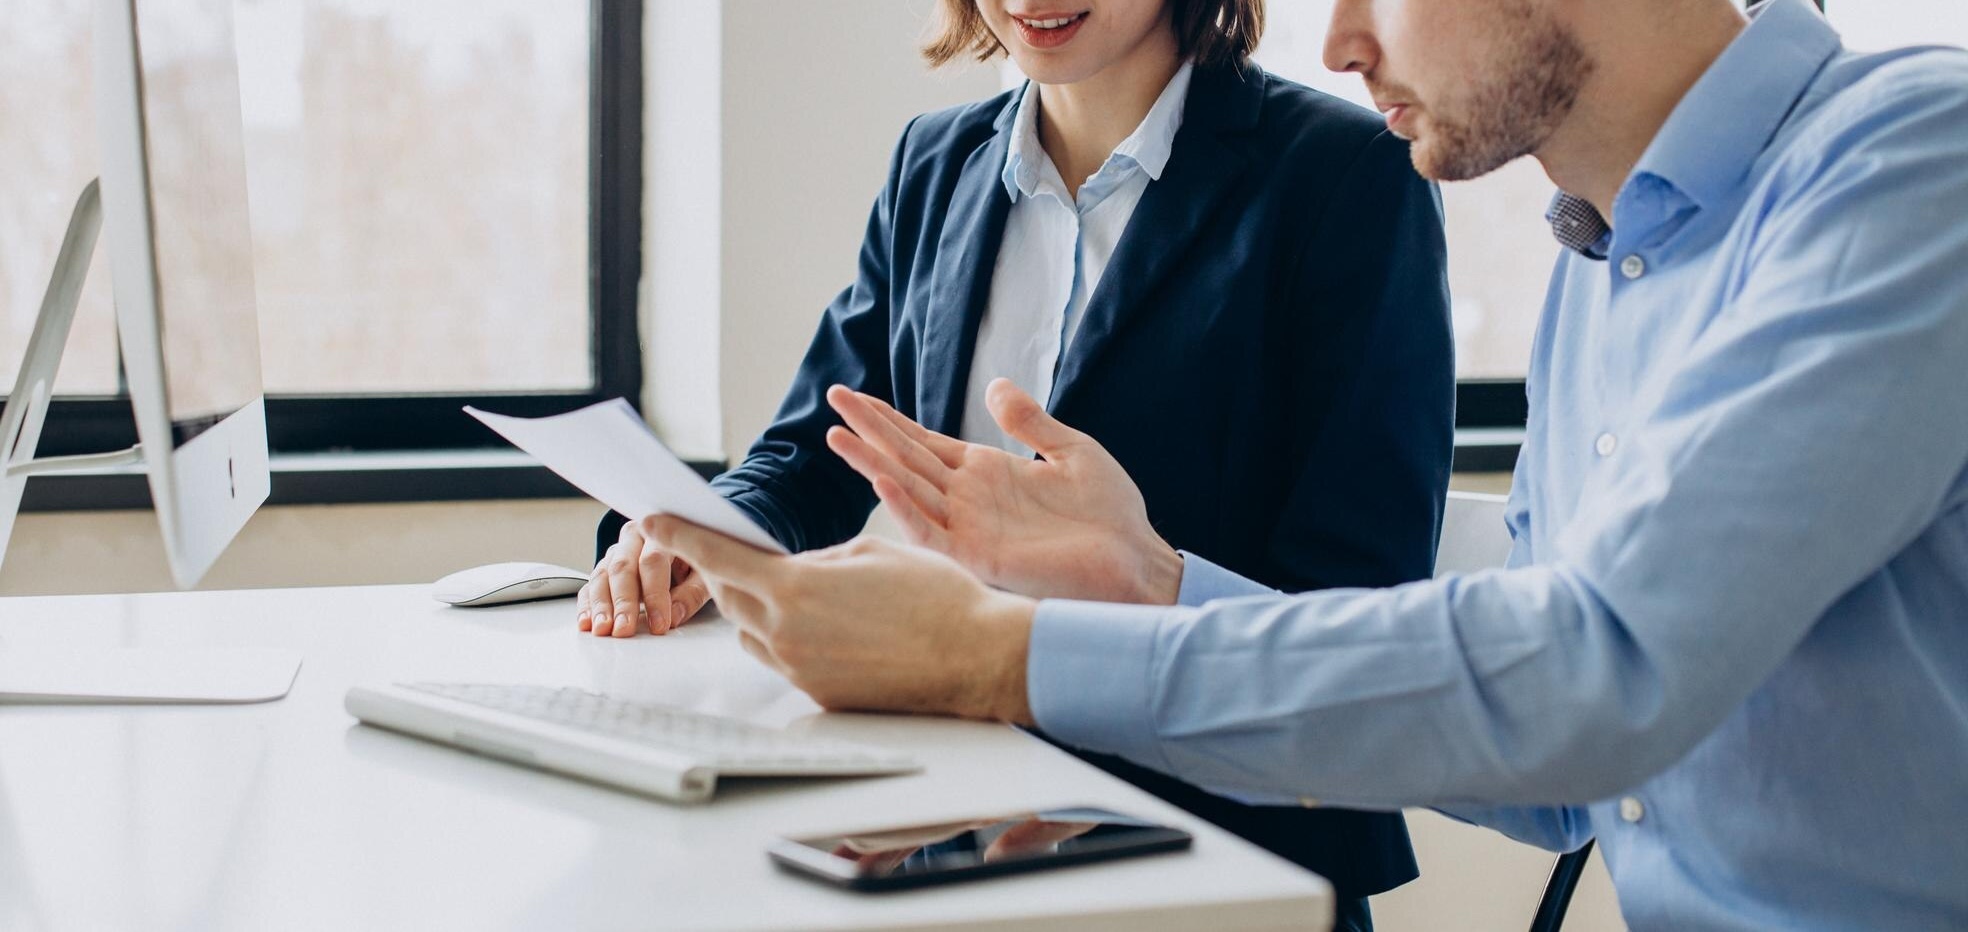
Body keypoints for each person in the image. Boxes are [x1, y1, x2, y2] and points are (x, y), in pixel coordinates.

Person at [642, 0, 1968, 927]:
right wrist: (1154, 581)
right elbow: (1567, 781)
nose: (1336, 42)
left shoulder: (1918, 159)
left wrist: (995, 653)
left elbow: (1591, 672)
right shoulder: (1600, 267)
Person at [580, 0, 1455, 923]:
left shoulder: (1347, 173)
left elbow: (1360, 610)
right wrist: (703, 535)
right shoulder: (935, 161)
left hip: (1217, 853)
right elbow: (814, 449)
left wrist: (1136, 584)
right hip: (948, 829)